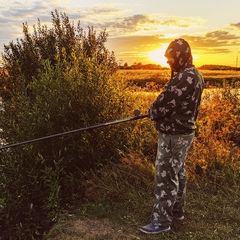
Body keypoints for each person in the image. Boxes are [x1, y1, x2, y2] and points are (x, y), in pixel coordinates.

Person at [140, 38, 205, 234]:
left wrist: (151, 112)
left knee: (165, 175)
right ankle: (177, 211)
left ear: (180, 56)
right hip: (185, 133)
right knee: (178, 172)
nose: (168, 62)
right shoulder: (197, 75)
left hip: (174, 135)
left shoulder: (184, 78)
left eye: (170, 58)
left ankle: (161, 221)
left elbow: (162, 105)